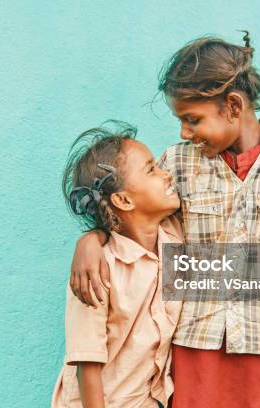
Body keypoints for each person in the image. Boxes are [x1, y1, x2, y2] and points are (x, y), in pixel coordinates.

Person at [69, 32, 260, 407]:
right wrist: (91, 240)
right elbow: (134, 222)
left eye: (193, 119)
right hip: (192, 356)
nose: (184, 132)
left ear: (233, 106)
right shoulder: (176, 165)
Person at [52, 122, 184, 408]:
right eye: (151, 169)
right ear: (123, 200)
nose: (166, 174)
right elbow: (88, 364)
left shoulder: (173, 238)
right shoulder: (98, 270)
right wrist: (91, 240)